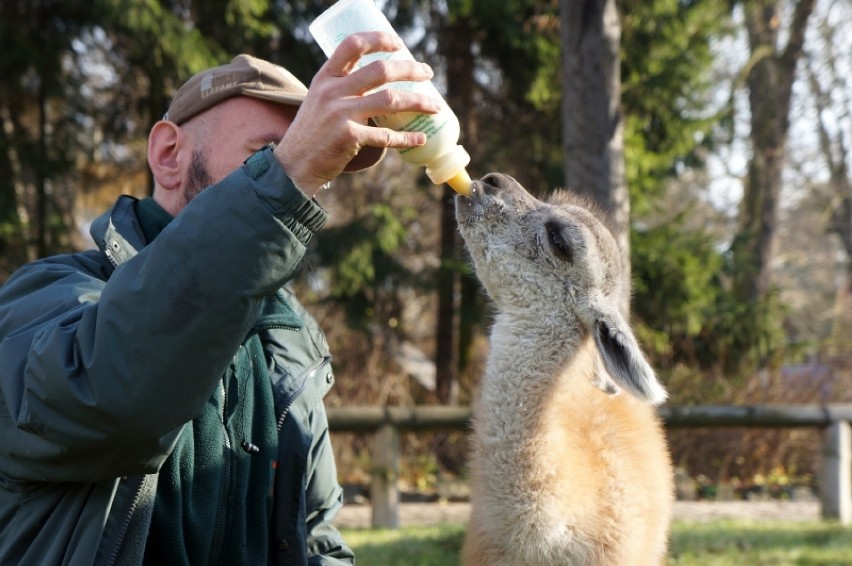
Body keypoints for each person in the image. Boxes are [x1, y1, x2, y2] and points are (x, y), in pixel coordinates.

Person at [0, 31, 439, 565]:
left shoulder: (291, 344)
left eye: (315, 173)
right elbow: (111, 398)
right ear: (168, 155)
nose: (306, 184)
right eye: (266, 155)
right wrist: (287, 173)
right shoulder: (49, 299)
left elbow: (317, 538)